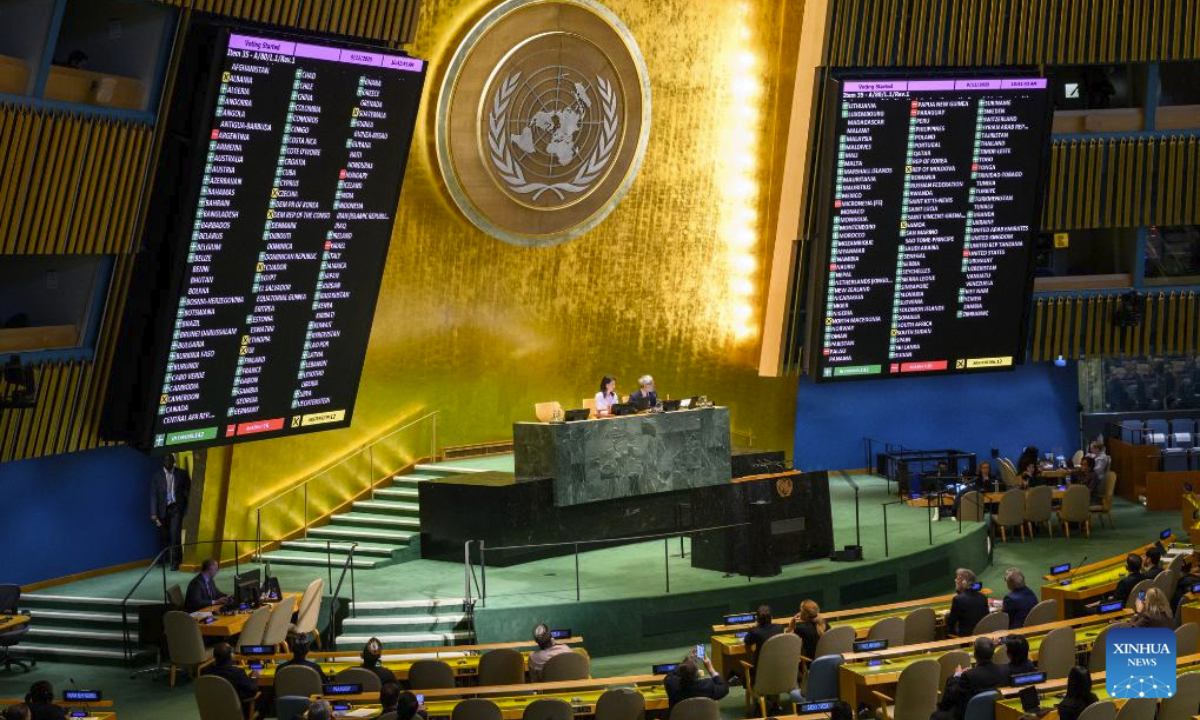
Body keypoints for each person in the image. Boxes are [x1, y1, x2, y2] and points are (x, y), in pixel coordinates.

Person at [931, 637, 1009, 720]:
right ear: (993, 654)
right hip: (992, 714)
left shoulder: (968, 676)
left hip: (965, 715)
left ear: (974, 655)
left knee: (935, 716)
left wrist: (956, 675)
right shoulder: (1003, 670)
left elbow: (952, 697)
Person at [150, 452, 191, 570]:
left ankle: (175, 562)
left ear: (174, 461)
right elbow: (153, 495)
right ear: (163, 462)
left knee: (175, 536)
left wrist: (187, 509)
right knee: (164, 536)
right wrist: (153, 513)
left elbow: (189, 492)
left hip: (176, 508)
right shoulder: (156, 476)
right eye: (166, 460)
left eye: (170, 460)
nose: (167, 462)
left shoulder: (182, 474)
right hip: (162, 510)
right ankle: (164, 560)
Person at [202, 643, 259, 715]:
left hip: (213, 714)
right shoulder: (237, 673)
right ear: (231, 656)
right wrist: (254, 677)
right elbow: (253, 690)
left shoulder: (205, 674)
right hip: (236, 714)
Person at [662, 652, 729, 707]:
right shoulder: (708, 686)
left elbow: (670, 675)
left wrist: (685, 664)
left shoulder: (672, 684)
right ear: (697, 673)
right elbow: (724, 688)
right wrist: (710, 668)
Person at [946, 569, 989, 636]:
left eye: (957, 579)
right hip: (983, 633)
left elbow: (951, 621)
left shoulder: (958, 599)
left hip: (966, 635)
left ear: (964, 583)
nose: (955, 580)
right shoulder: (983, 597)